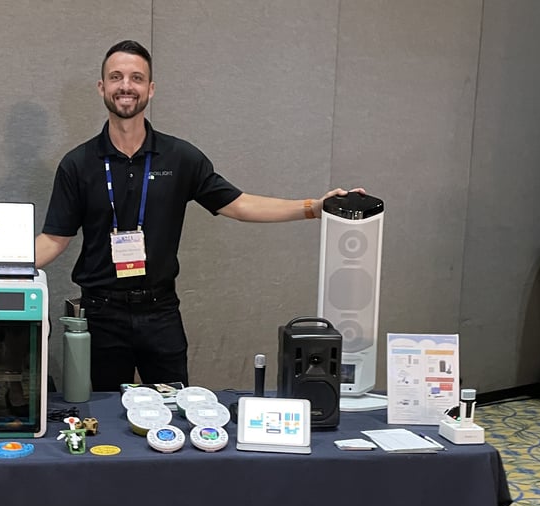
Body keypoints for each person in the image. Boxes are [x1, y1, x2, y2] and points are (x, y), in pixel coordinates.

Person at [37, 39, 360, 391]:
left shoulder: (180, 158)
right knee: (99, 418)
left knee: (175, 414)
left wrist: (313, 208)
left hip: (160, 314)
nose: (126, 86)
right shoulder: (78, 164)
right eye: (116, 77)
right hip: (99, 316)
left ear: (151, 89)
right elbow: (54, 239)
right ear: (102, 87)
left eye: (136, 78)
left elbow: (239, 204)